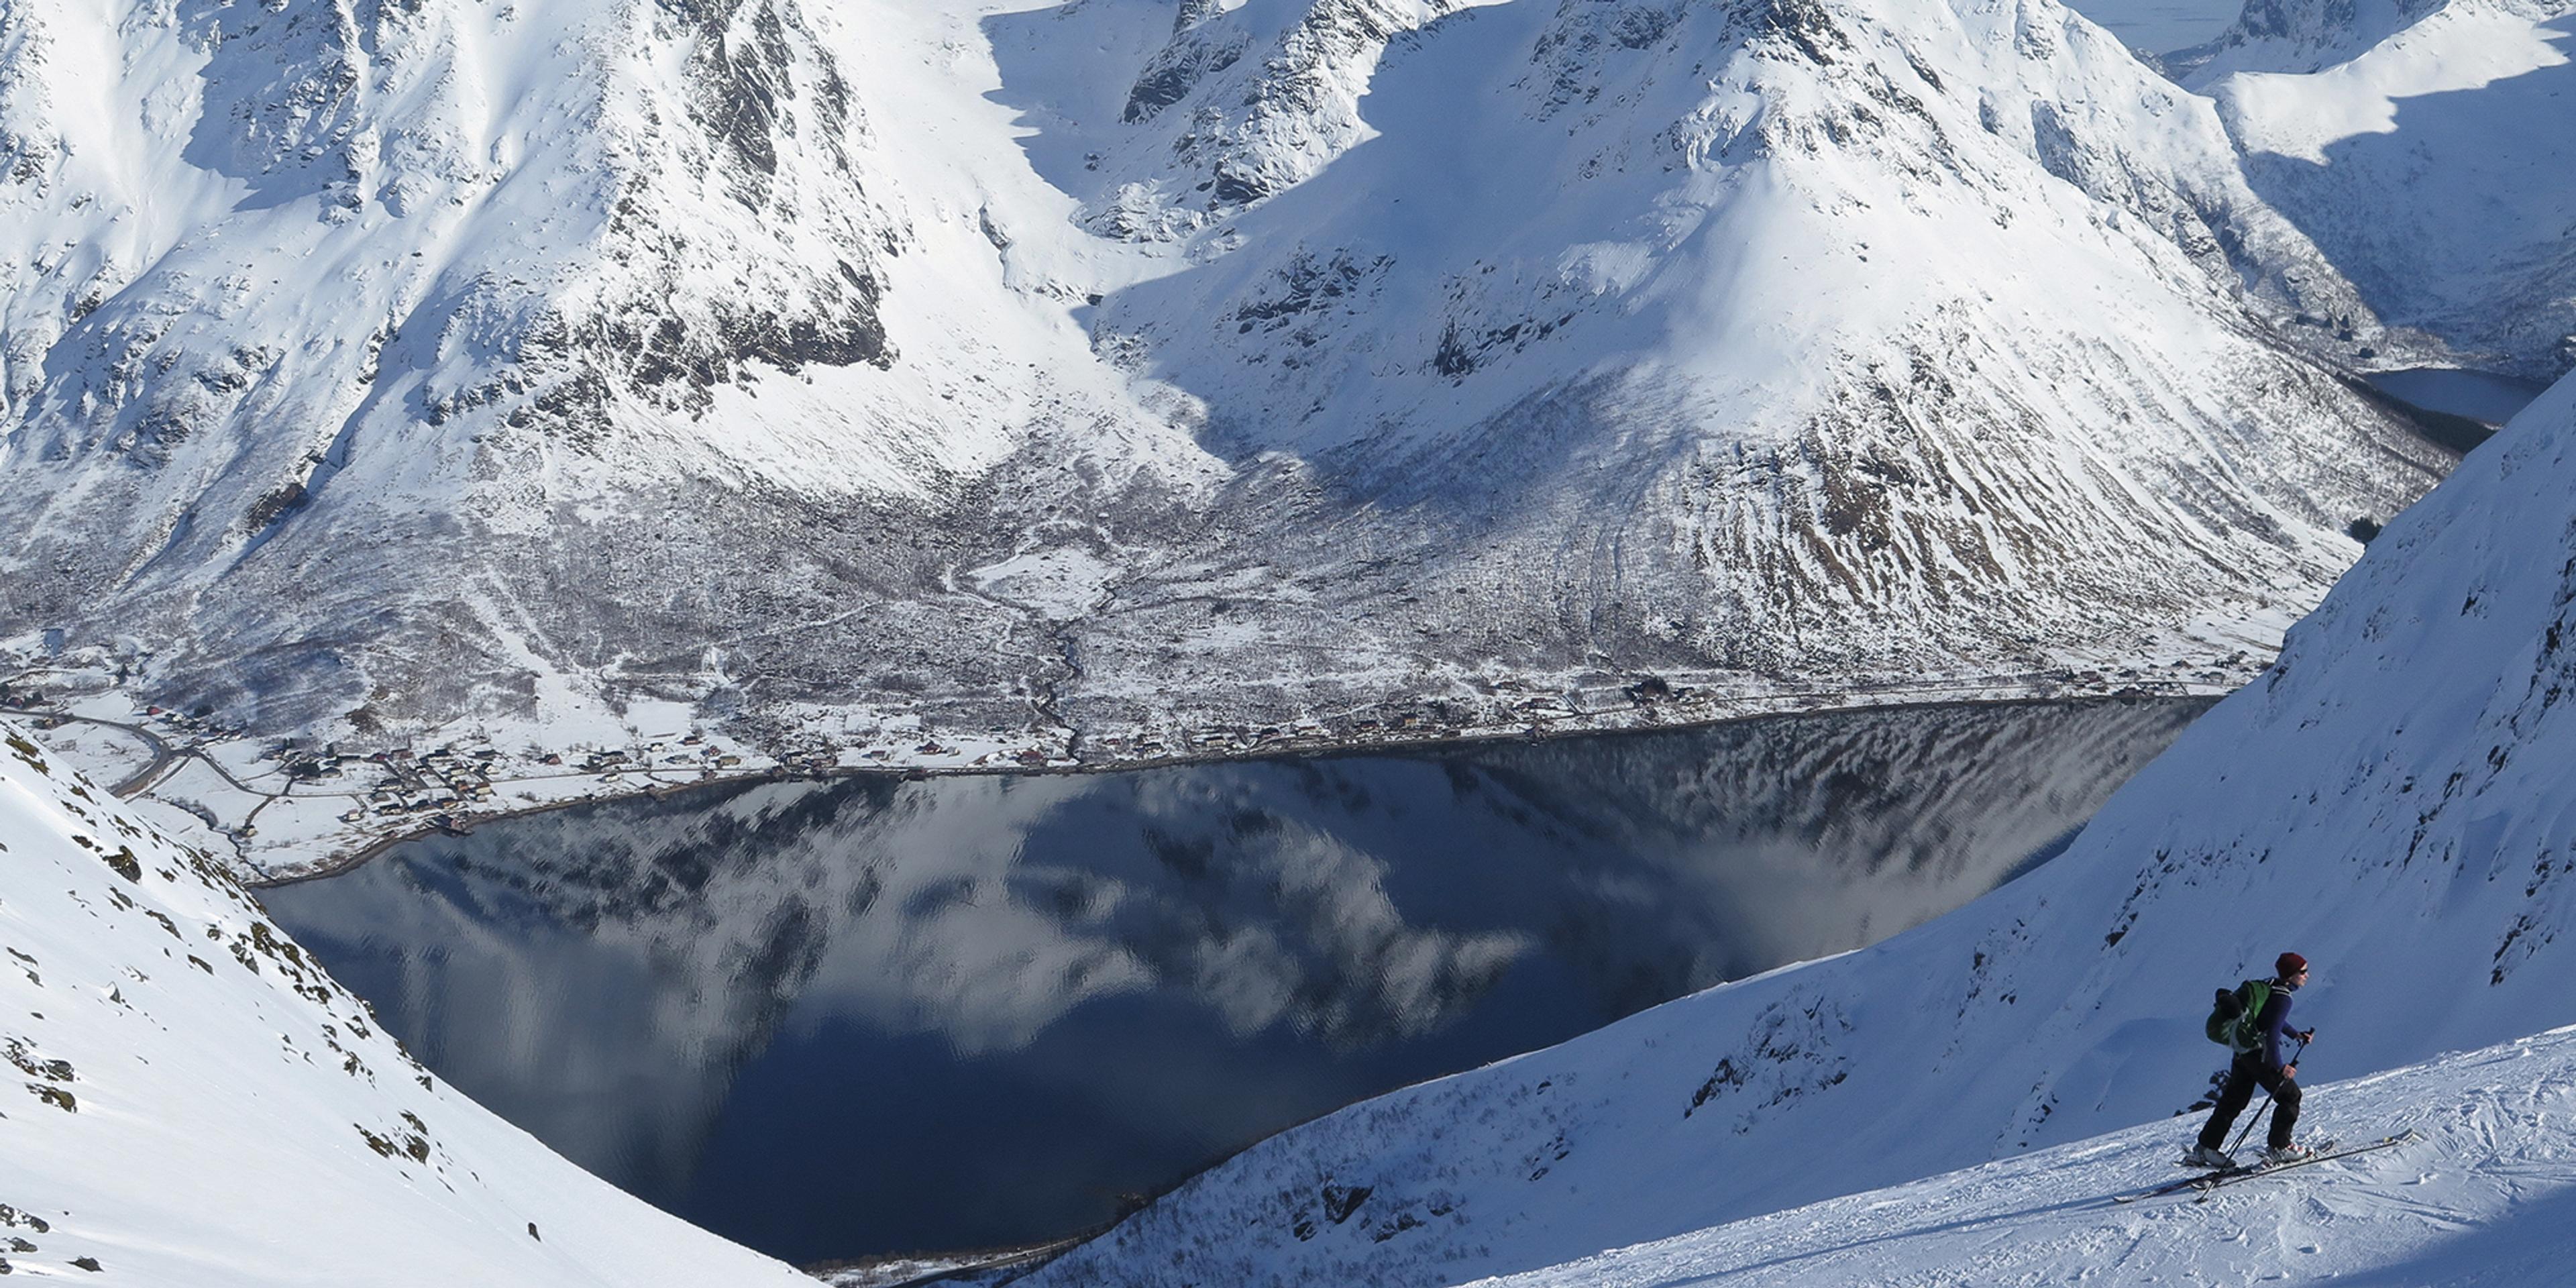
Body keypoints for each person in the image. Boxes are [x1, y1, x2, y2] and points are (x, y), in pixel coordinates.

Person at [2188, 951, 2319, 1167]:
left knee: (2233, 1101)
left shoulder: (2270, 986)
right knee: (2290, 1096)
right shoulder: (2284, 997)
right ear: (2290, 975)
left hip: (2243, 1051)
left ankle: (2205, 1149)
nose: (2307, 975)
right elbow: (2273, 1032)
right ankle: (2280, 1147)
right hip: (2260, 1053)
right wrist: (2280, 1067)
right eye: (2303, 972)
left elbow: (2267, 1018)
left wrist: (2295, 1034)